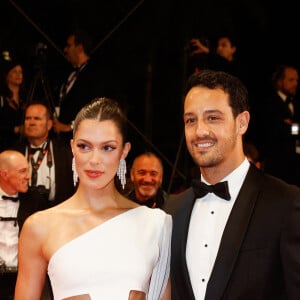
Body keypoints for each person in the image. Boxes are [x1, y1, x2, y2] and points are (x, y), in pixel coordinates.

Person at [15, 97, 172, 300]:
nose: (94, 160)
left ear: (124, 151)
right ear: (72, 147)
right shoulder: (39, 226)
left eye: (107, 148)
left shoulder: (154, 223)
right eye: (84, 146)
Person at [163, 69, 300, 299]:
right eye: (190, 120)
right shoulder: (172, 211)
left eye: (213, 118)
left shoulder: (286, 204)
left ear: (242, 123)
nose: (200, 131)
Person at [12, 102, 75, 230]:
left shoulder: (65, 153)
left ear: (49, 124)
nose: (31, 122)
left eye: (37, 118)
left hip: (57, 220)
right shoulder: (14, 152)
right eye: (28, 118)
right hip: (21, 220)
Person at [53, 29, 112, 144]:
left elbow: (97, 109)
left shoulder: (95, 74)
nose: (65, 49)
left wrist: (69, 126)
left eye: (69, 46)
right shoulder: (71, 74)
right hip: (62, 140)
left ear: (80, 48)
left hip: (83, 139)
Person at [262, 64, 300, 186]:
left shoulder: (296, 102)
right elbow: (278, 131)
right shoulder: (270, 103)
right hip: (278, 165)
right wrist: (295, 128)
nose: (295, 83)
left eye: (296, 80)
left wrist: (292, 127)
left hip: (295, 164)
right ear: (279, 82)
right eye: (291, 80)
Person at [0, 150, 29, 300]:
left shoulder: (37, 201)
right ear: (5, 175)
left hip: (25, 280)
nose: (28, 176)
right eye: (22, 171)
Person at [0, 57, 26, 152]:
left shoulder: (24, 98)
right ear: (7, 75)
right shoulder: (2, 98)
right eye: (15, 71)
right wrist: (16, 129)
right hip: (4, 145)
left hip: (21, 145)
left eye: (21, 72)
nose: (19, 75)